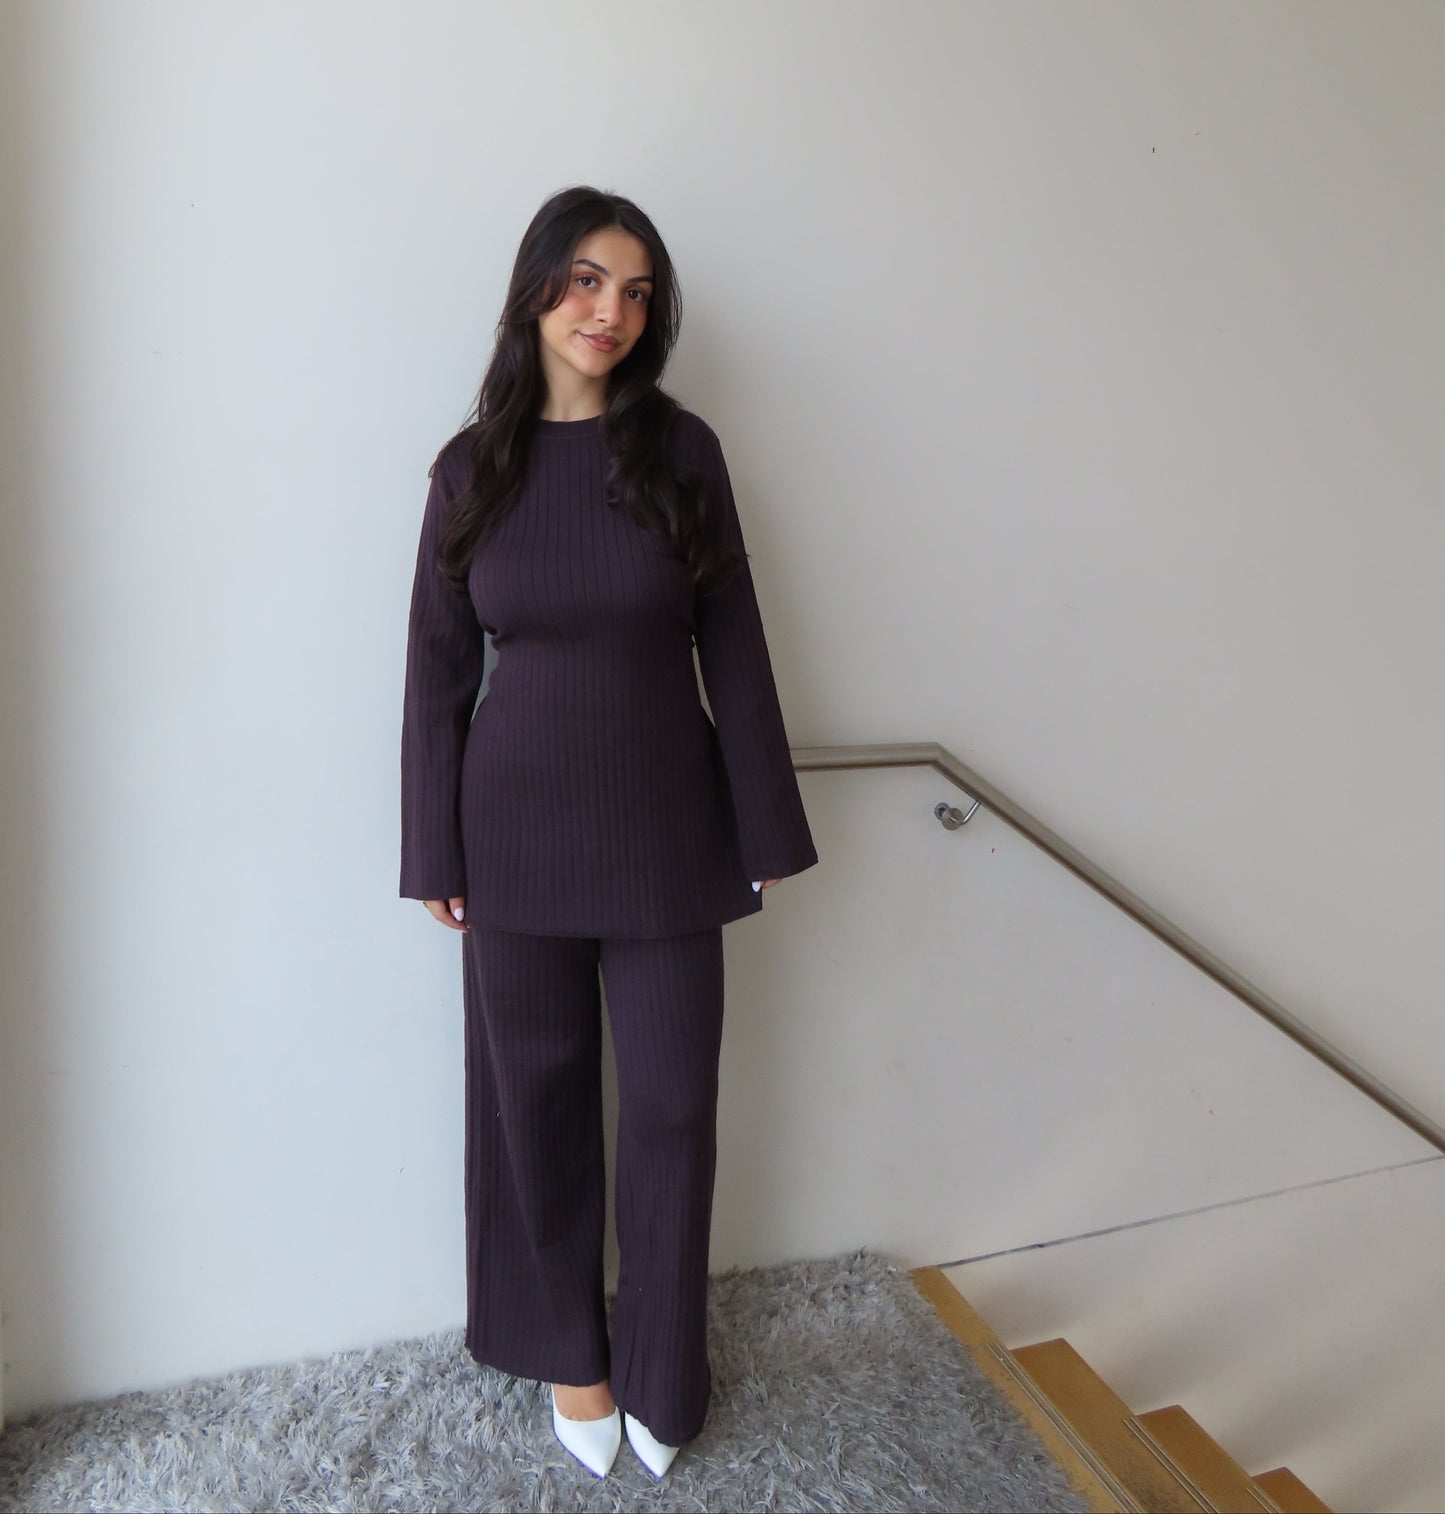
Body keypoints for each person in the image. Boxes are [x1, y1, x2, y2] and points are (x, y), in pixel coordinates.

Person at [399, 185, 818, 1481]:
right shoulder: (471, 467)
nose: (609, 311)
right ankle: (571, 1358)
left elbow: (734, 643)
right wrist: (431, 851)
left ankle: (662, 1366)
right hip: (511, 832)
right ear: (536, 289)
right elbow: (434, 670)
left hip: (667, 832)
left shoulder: (682, 451)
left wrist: (763, 820)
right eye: (586, 280)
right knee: (532, 1102)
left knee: (674, 1106)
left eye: (635, 292)